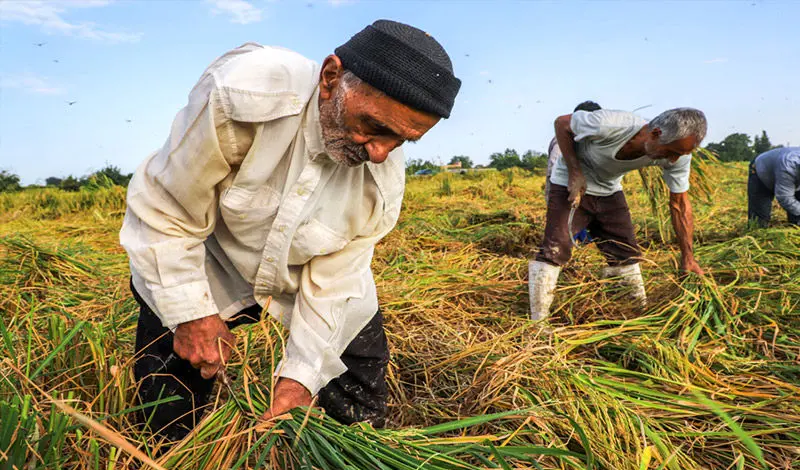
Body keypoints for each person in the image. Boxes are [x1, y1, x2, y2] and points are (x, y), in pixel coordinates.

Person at [120, 20, 460, 439]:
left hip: (304, 272)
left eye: (402, 141)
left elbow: (337, 281)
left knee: (356, 398)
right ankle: (162, 455)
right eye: (375, 126)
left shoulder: (381, 185)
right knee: (167, 396)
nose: (379, 152)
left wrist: (300, 377)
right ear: (330, 78)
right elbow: (166, 208)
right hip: (210, 257)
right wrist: (191, 314)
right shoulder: (244, 94)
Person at [529, 107, 707, 322]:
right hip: (570, 182)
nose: (672, 160)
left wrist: (688, 258)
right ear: (656, 133)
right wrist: (575, 171)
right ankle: (539, 323)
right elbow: (562, 123)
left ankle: (636, 311)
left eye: (680, 154)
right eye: (671, 152)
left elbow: (680, 204)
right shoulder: (611, 124)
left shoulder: (679, 157)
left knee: (626, 252)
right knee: (555, 249)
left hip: (609, 189)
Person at [545, 100, 602, 244]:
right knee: (565, 226)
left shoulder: (588, 140)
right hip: (564, 189)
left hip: (580, 189)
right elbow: (554, 168)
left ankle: (581, 244)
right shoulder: (563, 140)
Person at [747, 147, 800, 227]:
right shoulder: (788, 166)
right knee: (759, 217)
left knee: (796, 215)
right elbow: (785, 197)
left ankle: (795, 226)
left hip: (787, 172)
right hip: (762, 170)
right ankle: (757, 233)